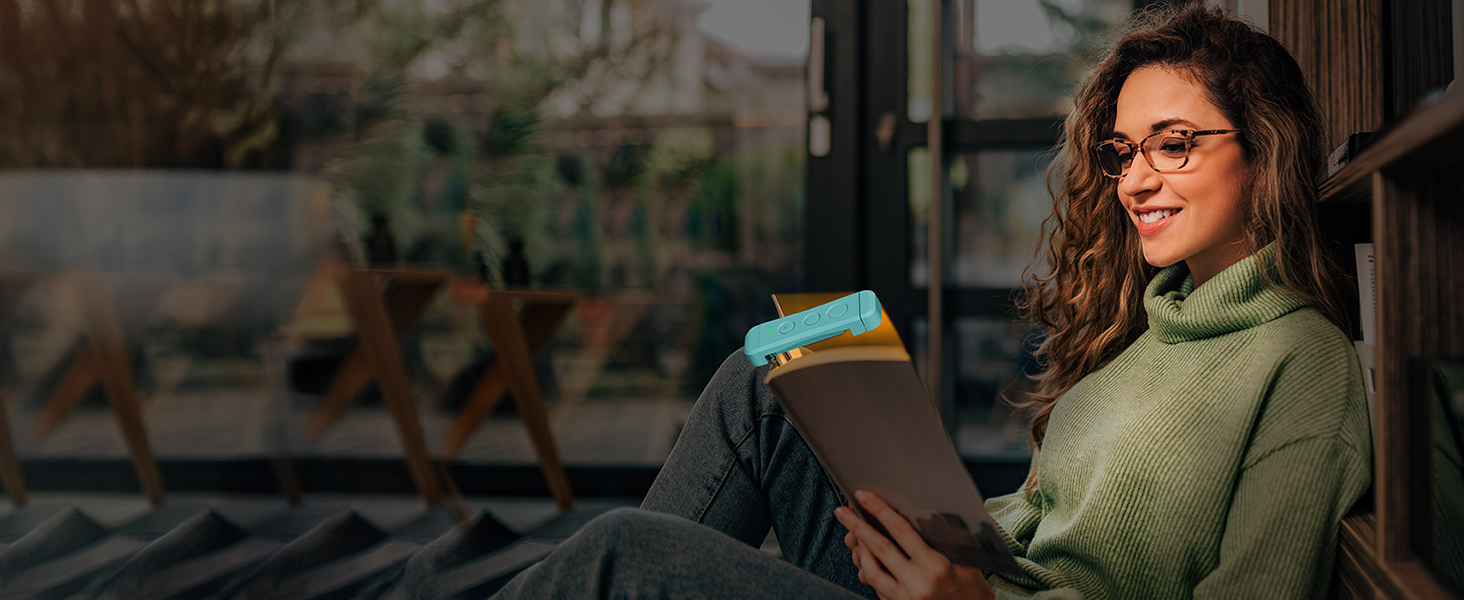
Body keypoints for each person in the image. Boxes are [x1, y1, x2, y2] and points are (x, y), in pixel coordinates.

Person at [491, 3, 1370, 598]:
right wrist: (942, 532)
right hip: (960, 582)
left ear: (1264, 151)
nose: (1135, 180)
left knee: (623, 554)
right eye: (1121, 152)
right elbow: (1044, 531)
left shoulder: (1303, 366)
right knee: (766, 373)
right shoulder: (1159, 325)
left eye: (1172, 144)